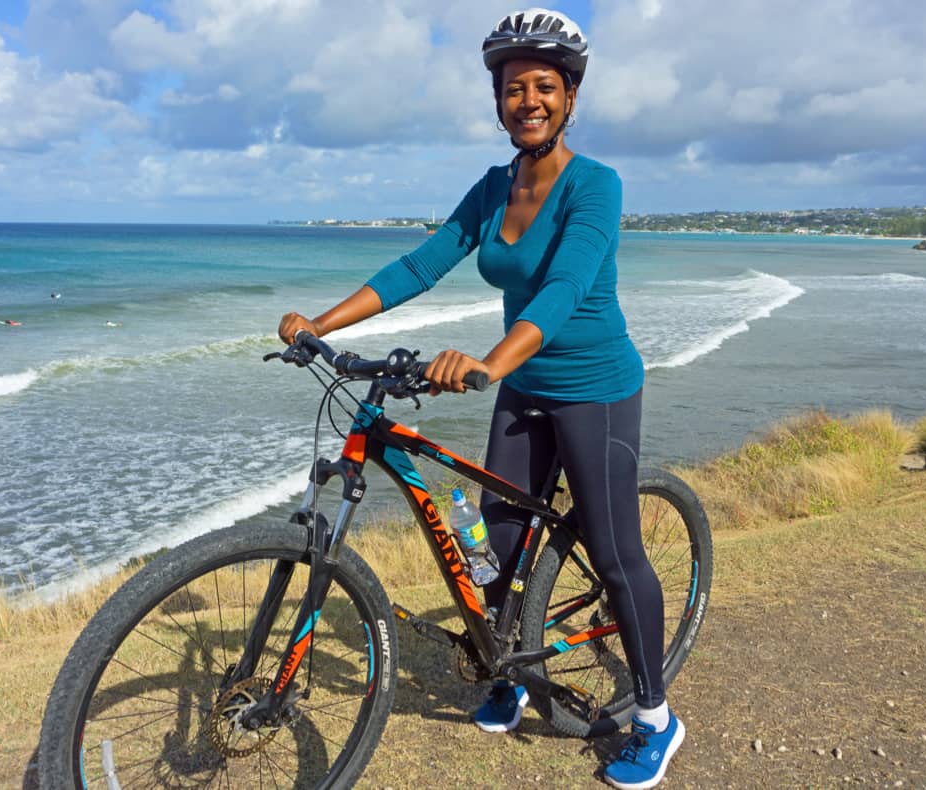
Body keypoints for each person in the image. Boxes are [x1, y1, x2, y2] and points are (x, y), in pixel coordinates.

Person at [277, 9, 680, 788]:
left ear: (568, 98)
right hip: (524, 386)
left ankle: (657, 714)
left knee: (614, 551)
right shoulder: (492, 189)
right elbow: (420, 265)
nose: (528, 100)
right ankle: (505, 669)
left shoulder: (596, 185)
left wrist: (489, 362)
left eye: (544, 87)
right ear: (497, 101)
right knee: (490, 544)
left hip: (593, 389)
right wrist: (318, 324)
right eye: (513, 89)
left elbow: (565, 287)